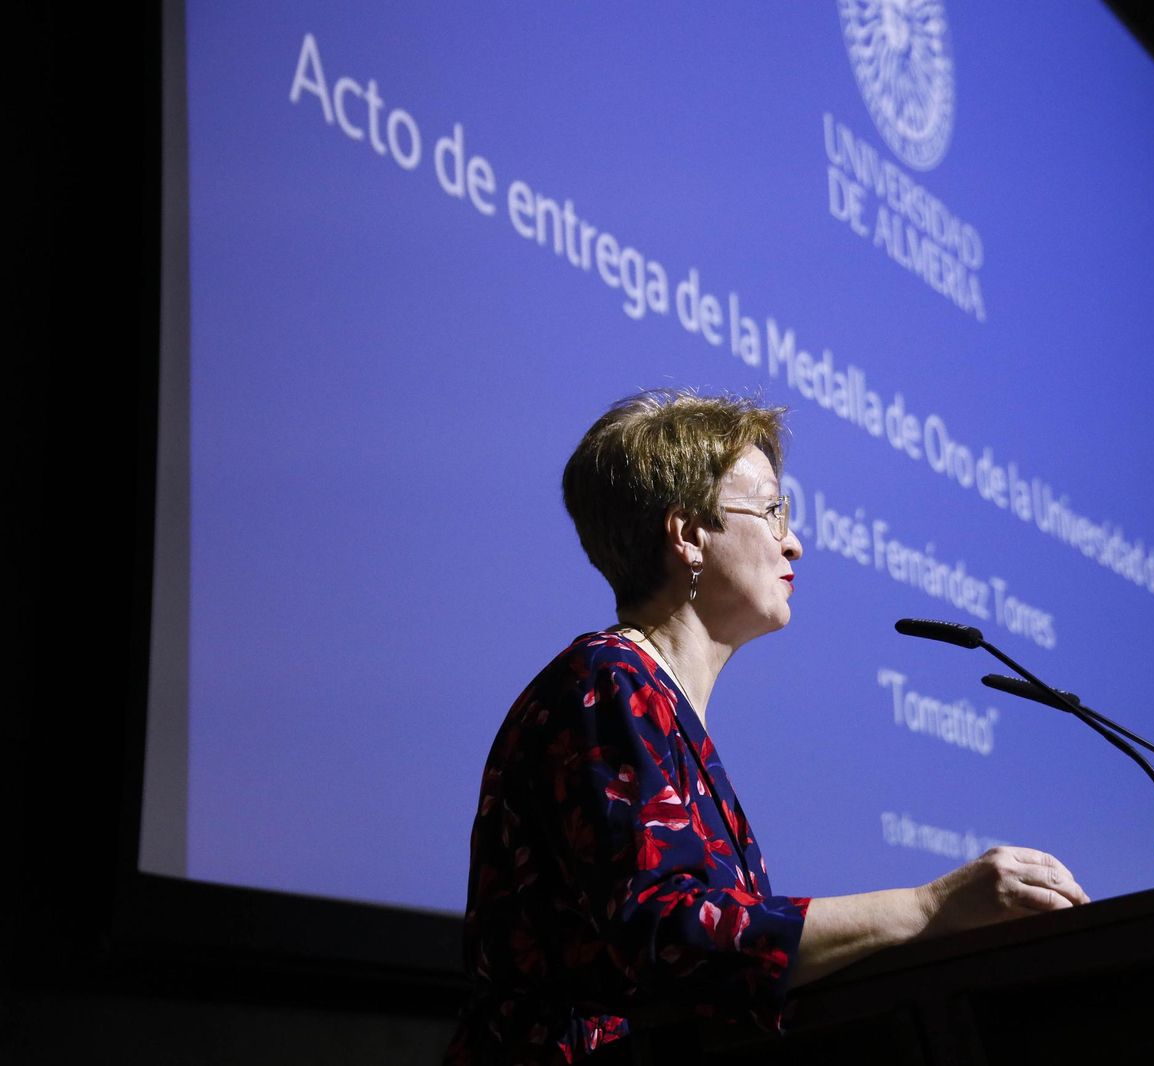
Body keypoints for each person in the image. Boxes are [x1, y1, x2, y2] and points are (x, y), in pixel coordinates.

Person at [445, 390, 1088, 1064]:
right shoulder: (608, 681)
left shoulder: (653, 702)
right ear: (689, 534)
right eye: (773, 509)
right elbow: (668, 936)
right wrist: (930, 907)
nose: (795, 541)